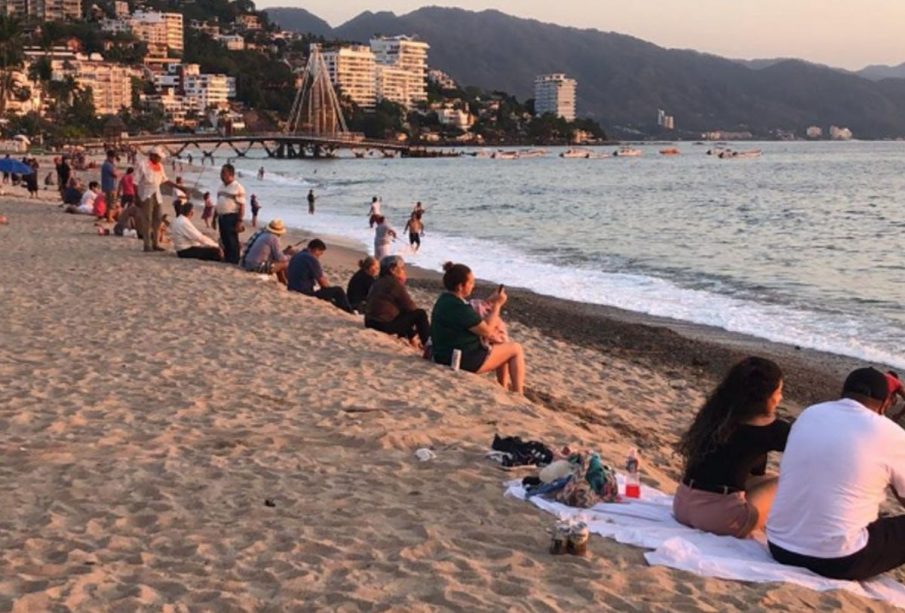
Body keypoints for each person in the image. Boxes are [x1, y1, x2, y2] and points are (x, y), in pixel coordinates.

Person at [767, 367, 905, 581]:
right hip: (839, 560)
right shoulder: (891, 433)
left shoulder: (810, 413)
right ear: (886, 403)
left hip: (779, 547)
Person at [672, 357, 789, 538]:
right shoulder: (769, 428)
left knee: (769, 479)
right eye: (779, 391)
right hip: (720, 520)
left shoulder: (715, 416)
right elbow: (808, 451)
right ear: (767, 397)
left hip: (682, 506)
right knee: (785, 481)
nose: (780, 398)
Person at [430, 262, 525, 394]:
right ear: (460, 286)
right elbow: (487, 330)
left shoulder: (445, 300)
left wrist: (490, 302)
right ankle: (518, 393)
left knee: (501, 345)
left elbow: (474, 321)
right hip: (462, 359)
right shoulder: (459, 308)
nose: (473, 286)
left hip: (444, 353)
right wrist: (497, 305)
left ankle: (504, 387)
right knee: (516, 349)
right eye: (471, 283)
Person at [365, 255, 430, 347]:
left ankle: (412, 339)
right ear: (392, 269)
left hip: (369, 321)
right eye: (402, 268)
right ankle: (427, 346)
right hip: (382, 324)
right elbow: (411, 307)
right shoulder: (393, 283)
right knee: (420, 314)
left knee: (403, 312)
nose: (404, 271)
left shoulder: (378, 281)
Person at [135, 146, 181, 253]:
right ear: (153, 156)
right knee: (147, 220)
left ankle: (156, 243)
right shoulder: (142, 165)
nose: (160, 159)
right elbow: (135, 182)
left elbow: (165, 180)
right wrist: (136, 197)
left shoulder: (160, 166)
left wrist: (179, 187)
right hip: (146, 195)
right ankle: (147, 245)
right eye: (158, 157)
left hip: (157, 195)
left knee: (158, 219)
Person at [287, 239, 353, 313]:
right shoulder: (311, 259)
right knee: (338, 290)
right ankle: (350, 311)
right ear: (316, 250)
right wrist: (329, 291)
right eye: (320, 253)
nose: (319, 256)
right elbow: (322, 283)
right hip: (303, 292)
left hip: (291, 288)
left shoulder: (297, 255)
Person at [240, 219, 292, 283]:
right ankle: (284, 281)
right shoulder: (273, 238)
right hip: (256, 266)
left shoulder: (264, 234)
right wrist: (290, 257)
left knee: (279, 262)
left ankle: (283, 280)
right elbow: (280, 258)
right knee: (285, 264)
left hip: (248, 263)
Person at [215, 163, 245, 264]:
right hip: (221, 216)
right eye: (221, 172)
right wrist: (214, 217)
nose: (221, 175)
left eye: (224, 173)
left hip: (231, 216)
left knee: (232, 240)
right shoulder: (220, 187)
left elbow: (242, 205)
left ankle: (234, 259)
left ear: (231, 174)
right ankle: (227, 258)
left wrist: (240, 221)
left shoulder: (237, 187)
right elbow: (218, 202)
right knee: (224, 238)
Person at [100, 149, 118, 222]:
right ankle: (109, 218)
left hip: (106, 186)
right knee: (111, 202)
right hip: (110, 186)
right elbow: (115, 174)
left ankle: (108, 217)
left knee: (108, 202)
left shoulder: (105, 164)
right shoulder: (108, 165)